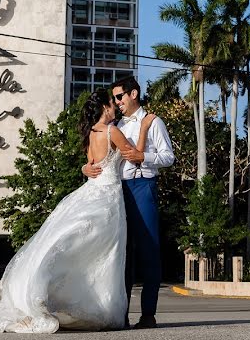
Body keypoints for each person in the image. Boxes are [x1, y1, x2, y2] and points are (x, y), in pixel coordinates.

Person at [0, 91, 155, 333]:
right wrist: (144, 129)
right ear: (105, 108)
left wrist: (84, 167)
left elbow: (90, 164)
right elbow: (134, 156)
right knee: (103, 253)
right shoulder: (111, 131)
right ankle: (99, 308)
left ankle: (75, 301)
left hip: (92, 191)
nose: (115, 108)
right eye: (112, 104)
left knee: (86, 248)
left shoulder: (90, 133)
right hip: (108, 197)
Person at [83, 75, 174, 329]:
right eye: (114, 99)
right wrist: (85, 167)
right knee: (120, 253)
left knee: (149, 251)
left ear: (133, 94)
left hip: (143, 186)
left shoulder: (153, 122)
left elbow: (169, 157)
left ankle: (148, 314)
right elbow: (99, 154)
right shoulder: (115, 125)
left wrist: (143, 156)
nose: (117, 102)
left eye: (120, 96)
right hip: (117, 191)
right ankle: (119, 314)